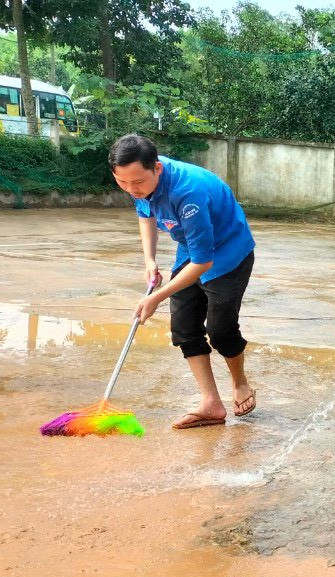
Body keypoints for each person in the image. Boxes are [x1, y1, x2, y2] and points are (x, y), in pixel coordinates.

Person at [110, 134, 257, 429]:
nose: (131, 189)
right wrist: (149, 260)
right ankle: (211, 403)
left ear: (157, 169)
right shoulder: (140, 183)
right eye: (122, 183)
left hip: (228, 253)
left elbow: (204, 262)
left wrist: (156, 297)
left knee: (220, 331)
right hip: (191, 250)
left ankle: (240, 383)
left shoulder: (189, 192)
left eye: (137, 182)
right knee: (184, 327)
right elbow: (145, 215)